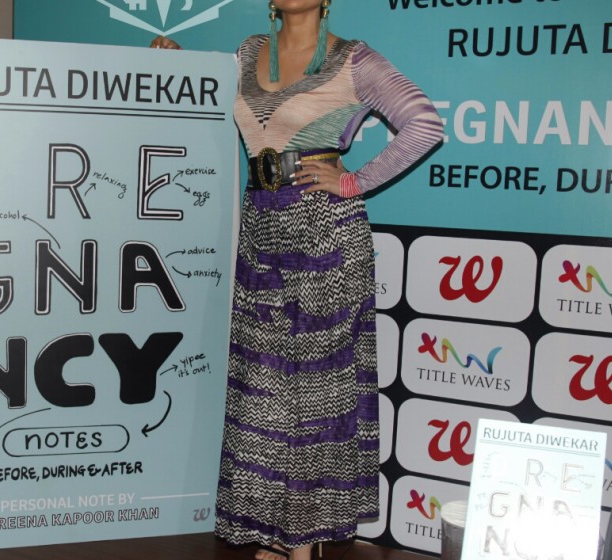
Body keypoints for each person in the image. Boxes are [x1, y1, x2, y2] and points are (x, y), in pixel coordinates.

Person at [152, 1, 443, 559]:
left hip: (323, 232)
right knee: (264, 388)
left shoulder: (354, 60)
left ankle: (304, 540)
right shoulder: (247, 54)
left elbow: (425, 124)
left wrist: (354, 182)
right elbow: (211, 101)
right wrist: (177, 62)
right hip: (260, 226)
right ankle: (274, 529)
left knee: (314, 391)